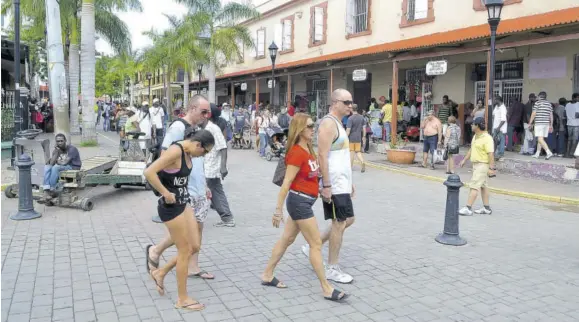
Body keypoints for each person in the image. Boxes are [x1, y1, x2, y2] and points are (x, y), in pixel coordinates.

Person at [261, 113, 347, 301]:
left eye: (313, 125)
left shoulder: (308, 149)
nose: (313, 128)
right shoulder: (296, 153)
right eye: (309, 126)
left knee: (287, 239)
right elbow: (286, 183)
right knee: (315, 244)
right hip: (299, 202)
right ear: (299, 129)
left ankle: (267, 274)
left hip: (304, 200)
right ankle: (326, 288)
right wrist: (278, 210)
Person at [143, 129, 214, 312]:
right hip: (170, 207)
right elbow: (149, 172)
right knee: (184, 250)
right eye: (205, 152)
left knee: (195, 246)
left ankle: (160, 272)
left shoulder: (189, 152)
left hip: (184, 202)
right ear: (198, 144)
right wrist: (166, 193)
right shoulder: (176, 151)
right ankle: (182, 299)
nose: (203, 156)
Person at [301, 88, 355, 284]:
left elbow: (339, 157)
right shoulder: (328, 123)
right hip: (333, 184)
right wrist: (326, 184)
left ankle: (313, 245)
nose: (350, 106)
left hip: (342, 183)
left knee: (348, 219)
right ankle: (332, 267)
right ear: (334, 103)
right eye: (346, 102)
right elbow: (322, 155)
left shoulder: (340, 124)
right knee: (339, 223)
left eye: (351, 102)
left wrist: (350, 182)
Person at [458, 117, 496, 216]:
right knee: (484, 187)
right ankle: (486, 208)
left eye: (473, 124)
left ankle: (468, 207)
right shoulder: (476, 136)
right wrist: (464, 160)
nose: (471, 125)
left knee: (474, 185)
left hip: (482, 165)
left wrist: (492, 168)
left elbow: (490, 154)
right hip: (476, 164)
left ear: (478, 126)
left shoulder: (487, 138)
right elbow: (472, 149)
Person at [206, 104, 235, 227]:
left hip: (212, 166)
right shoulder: (207, 126)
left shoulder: (213, 128)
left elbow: (223, 147)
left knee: (216, 191)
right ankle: (226, 216)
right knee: (215, 191)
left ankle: (227, 217)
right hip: (208, 165)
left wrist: (223, 167)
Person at [42, 133, 82, 198]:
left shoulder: (72, 149)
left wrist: (57, 162)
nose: (60, 143)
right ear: (56, 142)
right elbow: (51, 164)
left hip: (73, 167)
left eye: (61, 141)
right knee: (47, 167)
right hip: (63, 167)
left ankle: (51, 189)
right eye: (58, 141)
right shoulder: (57, 150)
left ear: (65, 141)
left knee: (56, 167)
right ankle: (46, 188)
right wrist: (56, 152)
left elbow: (64, 163)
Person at [528, 91, 554, 160]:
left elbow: (533, 114)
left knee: (539, 139)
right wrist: (551, 125)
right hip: (546, 124)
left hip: (539, 123)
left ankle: (548, 152)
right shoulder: (549, 104)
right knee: (541, 139)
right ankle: (537, 154)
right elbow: (551, 115)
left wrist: (530, 123)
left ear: (539, 96)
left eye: (538, 96)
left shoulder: (537, 103)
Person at [346, 104, 365, 172]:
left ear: (351, 109)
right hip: (358, 137)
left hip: (352, 137)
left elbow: (348, 130)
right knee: (358, 151)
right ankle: (362, 161)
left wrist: (345, 137)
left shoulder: (350, 118)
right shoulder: (361, 117)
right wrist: (364, 136)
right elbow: (364, 128)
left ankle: (350, 167)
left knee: (351, 152)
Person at [492, 96, 507, 161]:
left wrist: (498, 127)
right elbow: (493, 115)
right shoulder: (496, 107)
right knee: (495, 141)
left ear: (498, 100)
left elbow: (503, 120)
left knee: (501, 142)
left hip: (501, 128)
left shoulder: (503, 108)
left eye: (495, 100)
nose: (494, 101)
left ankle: (500, 155)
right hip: (496, 127)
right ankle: (494, 154)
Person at [565, 93, 579, 158]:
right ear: (574, 98)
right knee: (575, 140)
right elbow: (577, 115)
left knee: (569, 139)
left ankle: (567, 153)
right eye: (577, 97)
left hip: (569, 124)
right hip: (576, 124)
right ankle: (572, 153)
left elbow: (564, 114)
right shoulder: (577, 104)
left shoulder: (567, 105)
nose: (578, 99)